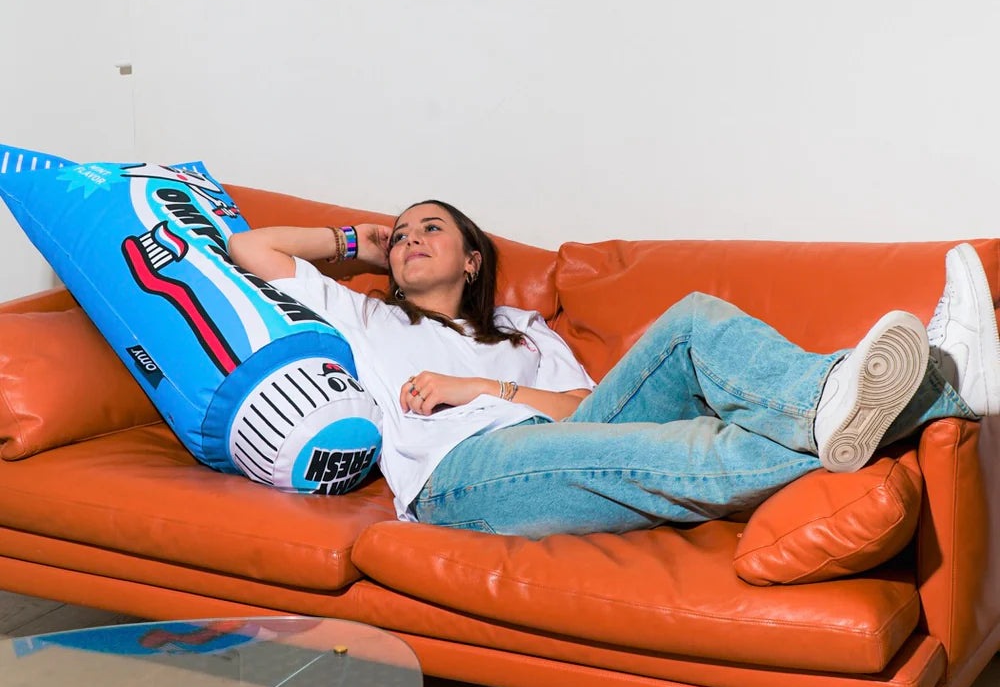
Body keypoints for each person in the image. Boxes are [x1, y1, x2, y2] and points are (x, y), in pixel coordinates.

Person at [228, 204, 1000, 538]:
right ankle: (938, 389)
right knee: (697, 440)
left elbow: (579, 408)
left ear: (472, 258)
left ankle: (875, 395)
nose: (410, 237)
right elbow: (250, 250)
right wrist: (354, 237)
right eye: (400, 234)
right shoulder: (367, 316)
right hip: (461, 475)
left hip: (547, 429)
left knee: (694, 318)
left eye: (433, 227)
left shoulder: (524, 332)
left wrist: (482, 387)